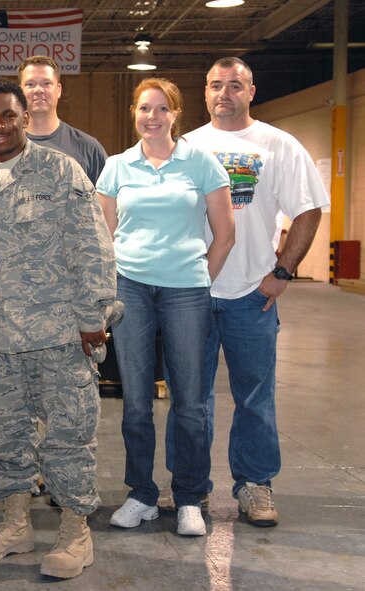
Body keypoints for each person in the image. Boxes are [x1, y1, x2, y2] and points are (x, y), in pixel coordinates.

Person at [0, 78, 116, 580]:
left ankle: (75, 532)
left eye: (7, 115)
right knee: (6, 433)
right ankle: (15, 524)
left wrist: (93, 317)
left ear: (25, 117)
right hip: (4, 340)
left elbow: (92, 245)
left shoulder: (60, 170)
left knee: (69, 434)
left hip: (62, 332)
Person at [165, 57, 329, 527]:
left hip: (251, 296)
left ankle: (255, 485)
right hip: (191, 293)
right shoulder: (185, 146)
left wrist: (283, 271)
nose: (225, 93)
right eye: (216, 84)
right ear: (204, 92)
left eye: (235, 85)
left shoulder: (279, 145)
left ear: (251, 91)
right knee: (188, 398)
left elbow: (309, 209)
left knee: (255, 396)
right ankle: (188, 488)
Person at [96, 78, 234, 537]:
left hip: (186, 290)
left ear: (176, 114)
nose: (151, 117)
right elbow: (103, 238)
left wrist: (196, 278)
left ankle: (190, 495)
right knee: (135, 401)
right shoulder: (117, 167)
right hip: (130, 288)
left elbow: (224, 233)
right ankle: (141, 493)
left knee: (190, 401)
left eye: (161, 109)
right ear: (134, 113)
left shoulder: (201, 163)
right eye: (143, 109)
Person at [0, 55, 107, 185]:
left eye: (46, 83)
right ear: (20, 92)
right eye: (30, 84)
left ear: (59, 90)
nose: (38, 90)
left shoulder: (88, 148)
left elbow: (106, 204)